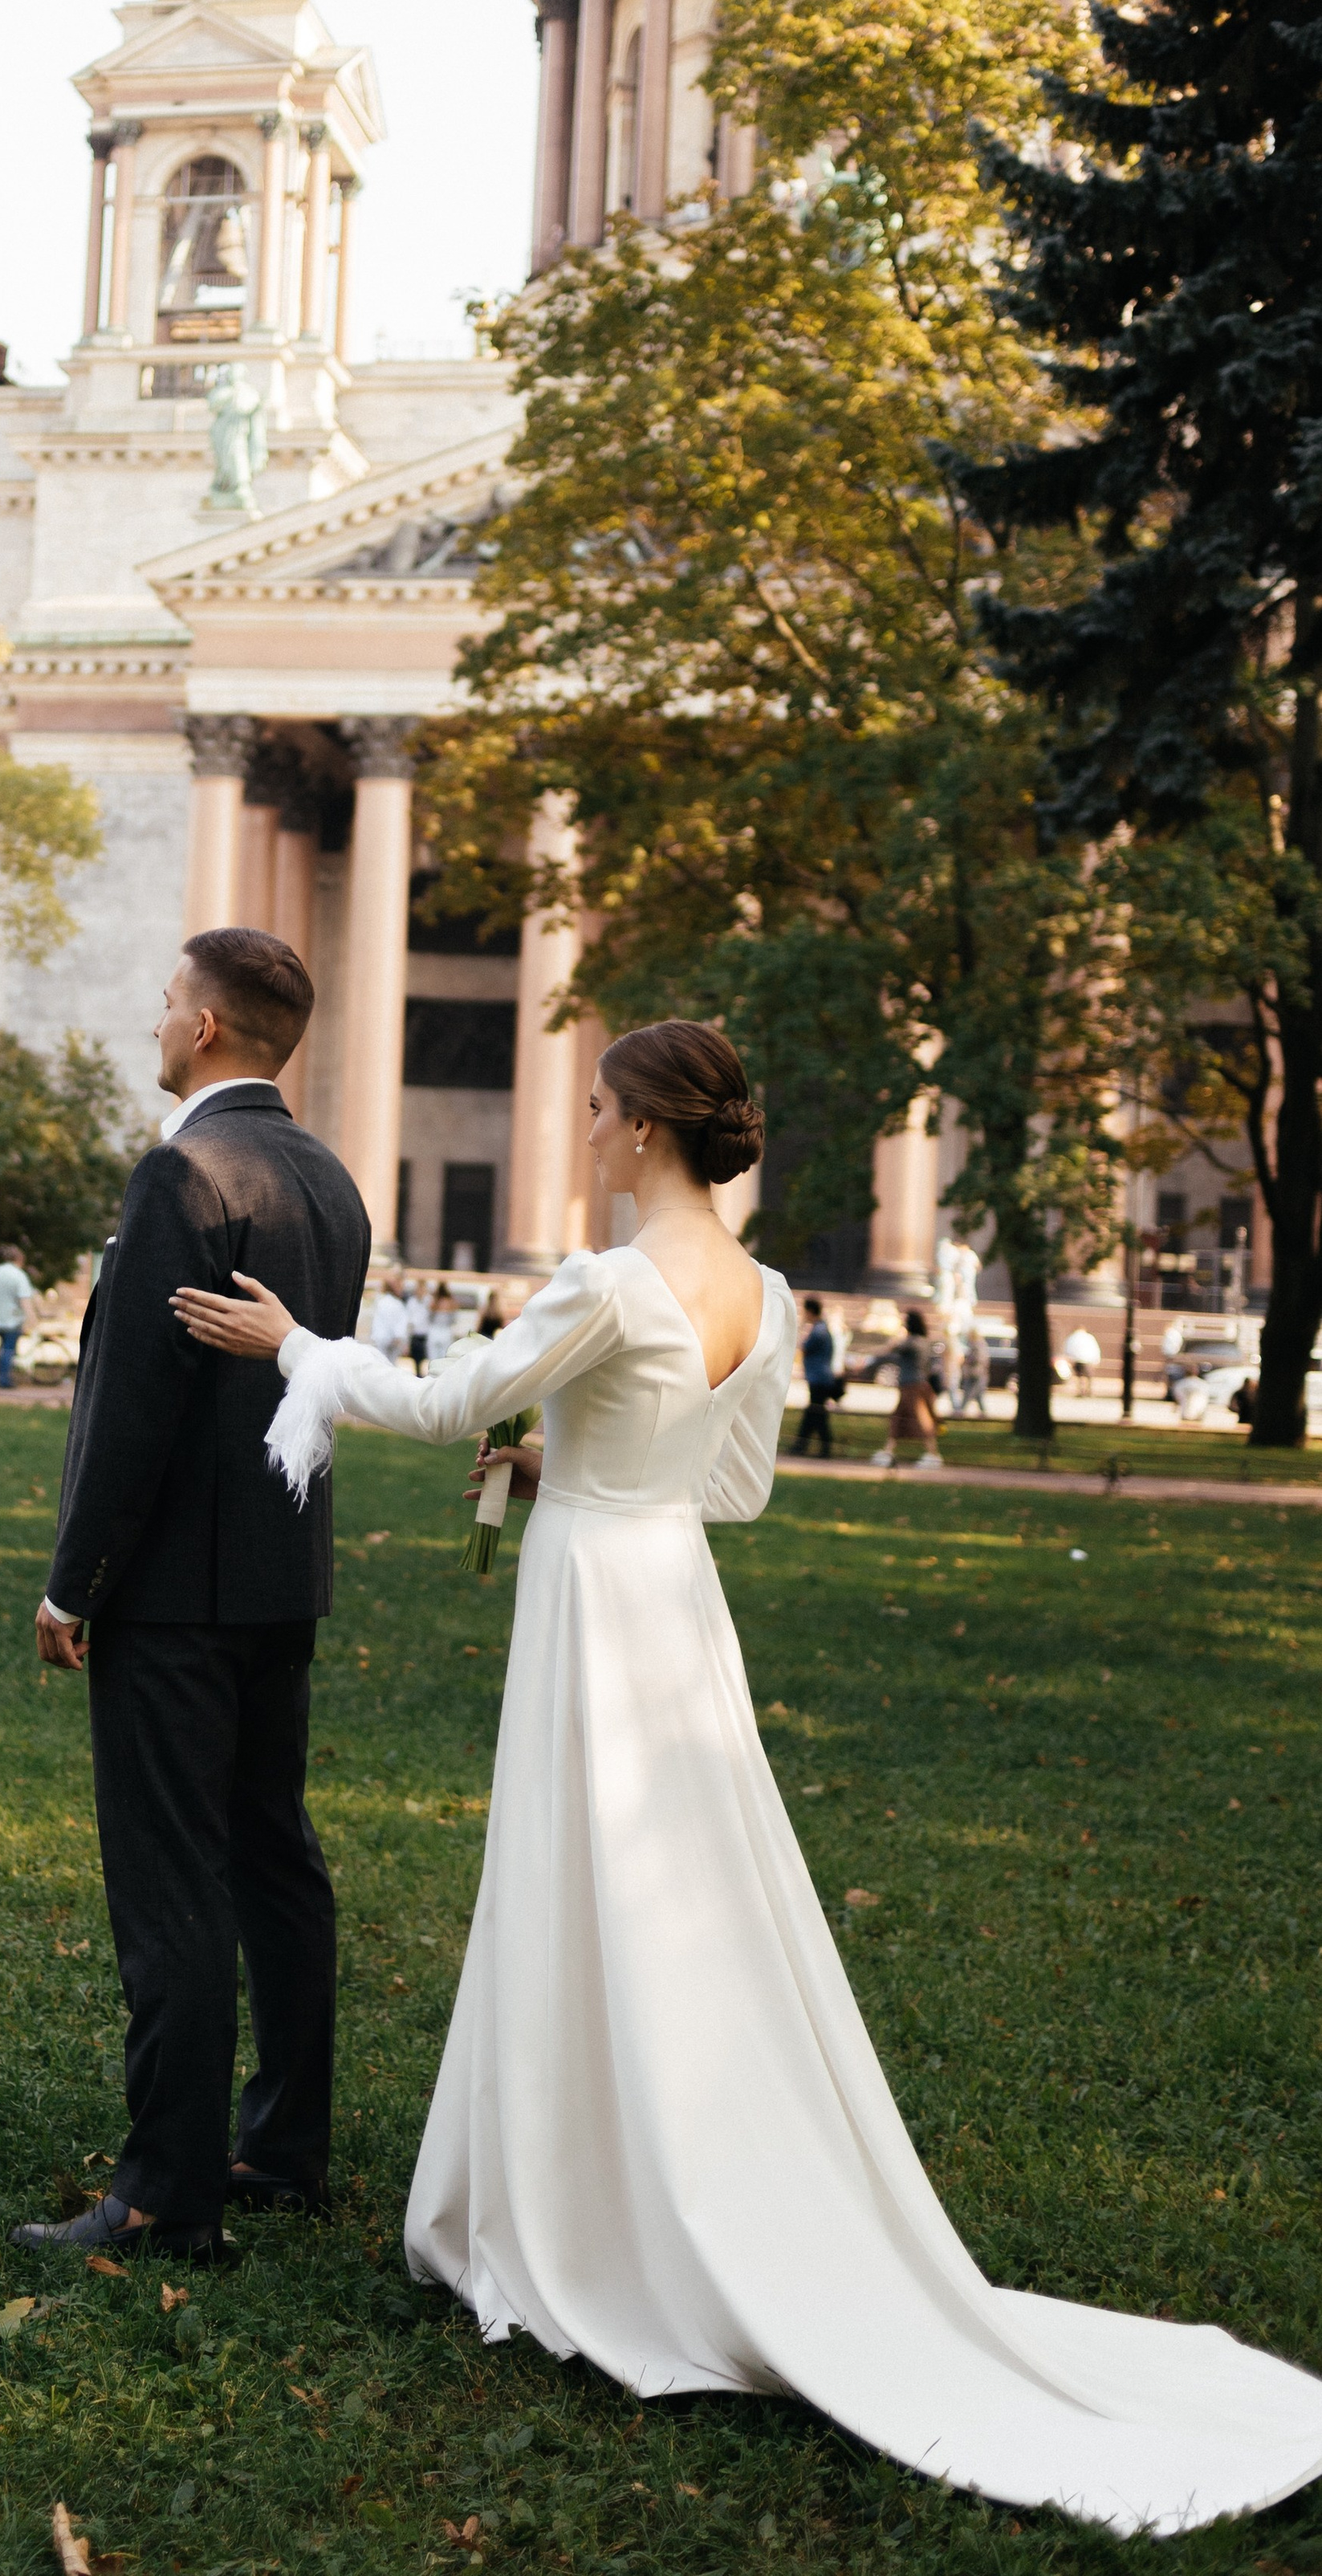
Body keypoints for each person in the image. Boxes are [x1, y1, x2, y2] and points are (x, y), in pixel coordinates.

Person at [172, 1018, 1322, 2538]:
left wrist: (299, 1352)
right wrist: (566, 1465)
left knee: (575, 1873)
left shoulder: (608, 1280)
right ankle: (647, 2165)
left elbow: (449, 1396)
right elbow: (736, 1486)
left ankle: (592, 2213)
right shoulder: (766, 1294)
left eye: (594, 1109)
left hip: (595, 1600)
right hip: (672, 1594)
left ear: (645, 1130)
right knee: (680, 1885)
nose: (581, 1129)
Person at [14, 927, 369, 2266]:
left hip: (170, 1592)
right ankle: (281, 2143)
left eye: (167, 1002)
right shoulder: (332, 1181)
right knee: (276, 1859)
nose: (156, 1020)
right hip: (283, 1574)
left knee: (171, 1881)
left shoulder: (184, 1170)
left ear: (208, 1030)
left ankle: (163, 2197)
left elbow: (136, 1412)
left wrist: (74, 1581)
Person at [872, 1307, 945, 1471]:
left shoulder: (911, 1343)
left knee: (920, 1421)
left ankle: (933, 1454)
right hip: (916, 1385)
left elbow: (891, 1348)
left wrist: (898, 1335)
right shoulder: (924, 1342)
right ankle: (888, 1451)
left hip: (911, 1387)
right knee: (898, 1419)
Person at [0, 1244, 35, 1390]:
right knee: (9, 1349)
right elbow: (25, 1299)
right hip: (14, 1317)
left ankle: (0, 1374)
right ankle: (4, 1379)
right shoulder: (19, 1275)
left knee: (3, 1347)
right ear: (19, 1259)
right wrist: (32, 1319)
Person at [792, 1292, 836, 1456]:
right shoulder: (823, 1328)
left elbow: (803, 1347)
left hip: (819, 1377)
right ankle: (802, 1445)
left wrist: (802, 1328)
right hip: (820, 1377)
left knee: (817, 1413)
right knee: (814, 1412)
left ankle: (818, 1446)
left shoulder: (819, 1331)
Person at [369, 1270, 410, 1363]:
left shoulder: (381, 1301)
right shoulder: (396, 1304)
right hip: (390, 1338)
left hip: (380, 1337)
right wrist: (399, 1337)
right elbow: (397, 1323)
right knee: (389, 1364)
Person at [426, 1281, 461, 1367]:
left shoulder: (434, 1302)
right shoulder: (451, 1302)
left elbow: (429, 1317)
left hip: (435, 1331)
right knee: (444, 1358)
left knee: (433, 1358)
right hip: (445, 1331)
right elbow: (454, 1320)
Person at [405, 1278, 433, 1373]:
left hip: (426, 1334)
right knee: (416, 1358)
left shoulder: (429, 1301)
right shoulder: (412, 1302)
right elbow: (409, 1320)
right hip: (415, 1334)